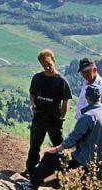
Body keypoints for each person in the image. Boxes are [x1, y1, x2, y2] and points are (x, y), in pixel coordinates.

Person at [21, 83, 102, 190]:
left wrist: (56, 149)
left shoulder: (88, 117)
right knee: (95, 184)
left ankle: (32, 186)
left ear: (86, 97)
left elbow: (73, 138)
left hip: (86, 158)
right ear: (100, 97)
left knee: (51, 158)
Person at [24, 49, 72, 178]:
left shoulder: (61, 81)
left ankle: (62, 174)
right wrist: (33, 104)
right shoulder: (37, 78)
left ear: (54, 61)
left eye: (49, 64)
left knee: (59, 147)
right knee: (34, 145)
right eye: (44, 66)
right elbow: (32, 93)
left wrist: (62, 117)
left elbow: (65, 101)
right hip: (39, 117)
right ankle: (30, 170)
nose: (47, 67)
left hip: (54, 120)